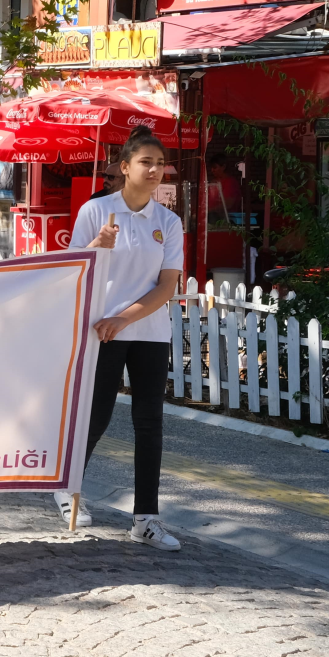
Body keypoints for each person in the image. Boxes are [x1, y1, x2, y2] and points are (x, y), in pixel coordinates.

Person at [64, 125, 185, 551]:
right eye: (145, 162)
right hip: (102, 330)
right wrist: (98, 245)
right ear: (125, 167)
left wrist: (124, 319)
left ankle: (146, 520)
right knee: (95, 417)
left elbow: (167, 286)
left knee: (149, 424)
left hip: (147, 331)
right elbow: (73, 269)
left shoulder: (168, 222)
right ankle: (68, 488)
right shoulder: (96, 212)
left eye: (159, 164)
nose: (154, 170)